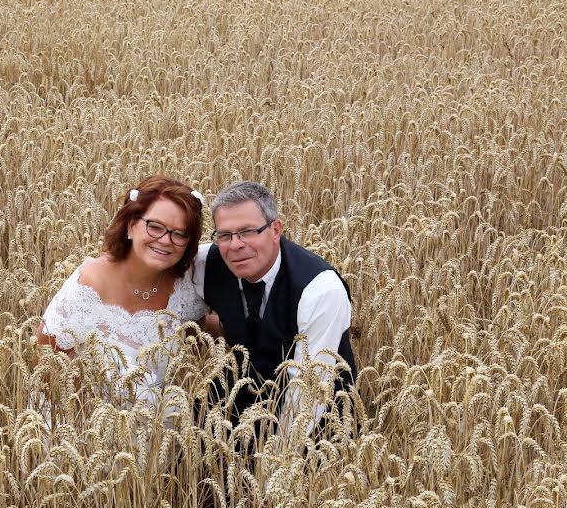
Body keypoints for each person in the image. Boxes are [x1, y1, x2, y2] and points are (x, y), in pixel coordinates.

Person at [192, 180, 357, 442]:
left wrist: (275, 470)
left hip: (319, 425)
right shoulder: (206, 264)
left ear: (276, 229)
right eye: (225, 235)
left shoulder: (319, 289)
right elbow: (155, 278)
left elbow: (308, 395)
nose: (235, 245)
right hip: (238, 411)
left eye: (247, 232)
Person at [36, 175, 209, 410]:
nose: (165, 240)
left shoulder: (187, 286)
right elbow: (47, 361)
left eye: (179, 233)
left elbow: (202, 335)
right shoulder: (90, 285)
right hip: (91, 429)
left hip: (164, 429)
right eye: (155, 226)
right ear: (130, 225)